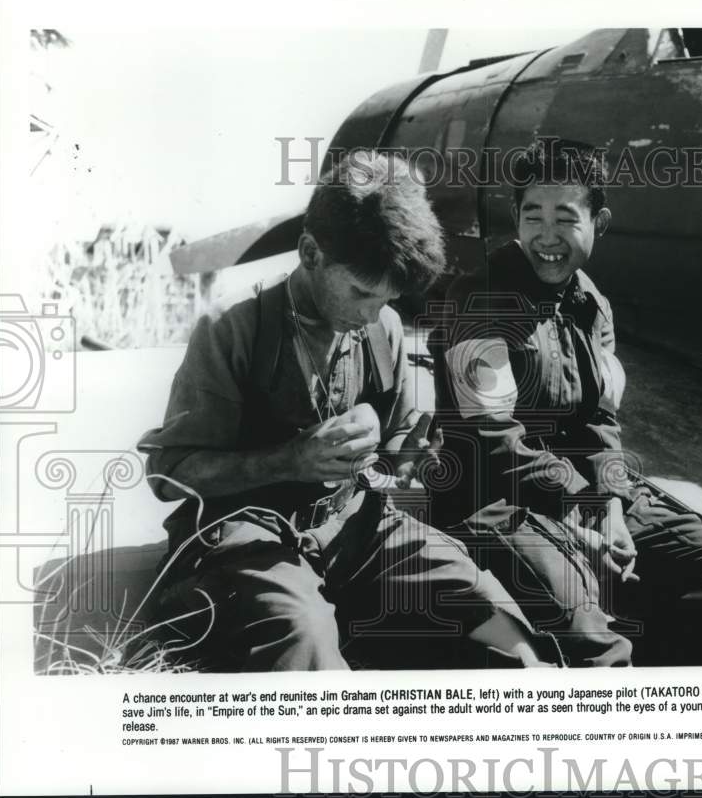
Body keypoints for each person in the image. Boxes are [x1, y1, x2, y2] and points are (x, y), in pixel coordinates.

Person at [135, 150, 561, 672]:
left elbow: (396, 453)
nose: (371, 314)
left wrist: (413, 456)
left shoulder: (382, 326)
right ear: (310, 253)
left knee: (483, 603)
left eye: (387, 298)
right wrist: (288, 460)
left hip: (352, 523)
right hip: (249, 532)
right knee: (302, 634)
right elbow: (170, 473)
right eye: (361, 292)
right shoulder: (234, 329)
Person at [430, 139, 702, 665]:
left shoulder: (590, 304)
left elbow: (599, 419)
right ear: (515, 217)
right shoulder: (478, 300)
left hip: (585, 490)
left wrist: (615, 501)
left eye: (566, 218)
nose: (547, 237)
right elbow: (491, 437)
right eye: (533, 216)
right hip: (491, 497)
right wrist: (588, 505)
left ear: (598, 222)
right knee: (584, 622)